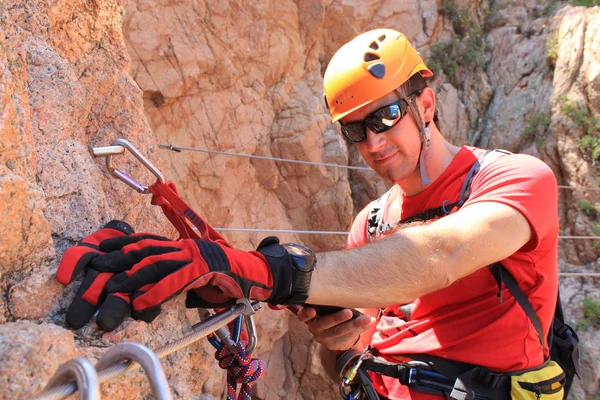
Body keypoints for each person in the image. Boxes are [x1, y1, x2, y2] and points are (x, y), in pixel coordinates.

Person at [57, 29, 560, 400]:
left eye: (386, 116)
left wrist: (267, 272)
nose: (374, 142)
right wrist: (342, 338)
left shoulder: (515, 179)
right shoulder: (373, 223)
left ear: (425, 104)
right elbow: (349, 345)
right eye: (355, 131)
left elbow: (440, 254)